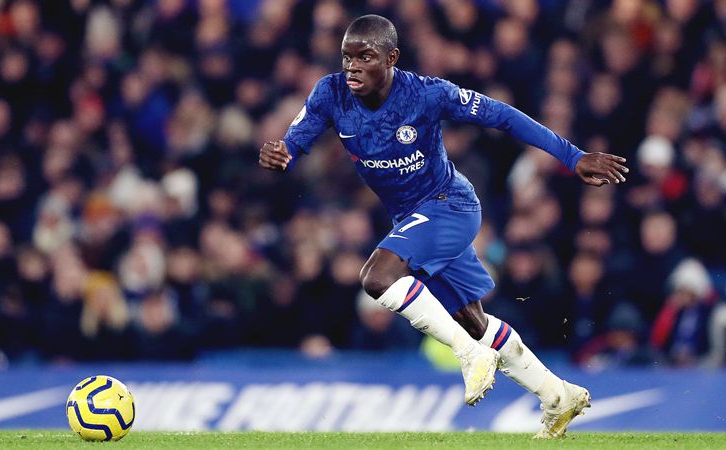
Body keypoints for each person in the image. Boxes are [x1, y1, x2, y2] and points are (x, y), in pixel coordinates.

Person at [258, 14, 629, 438]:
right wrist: (282, 154)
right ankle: (558, 395)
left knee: (377, 277)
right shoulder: (331, 93)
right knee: (473, 321)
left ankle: (468, 354)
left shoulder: (427, 94)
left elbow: (503, 116)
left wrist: (572, 156)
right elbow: (294, 141)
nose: (353, 67)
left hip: (449, 205)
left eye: (365, 57)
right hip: (413, 219)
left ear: (391, 58)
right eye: (347, 57)